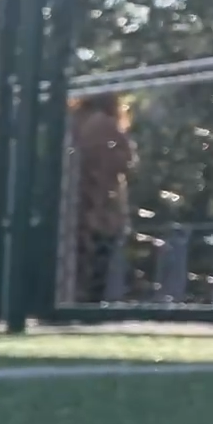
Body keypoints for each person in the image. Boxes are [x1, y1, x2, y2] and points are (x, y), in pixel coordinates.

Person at [71, 93, 139, 304]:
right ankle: (89, 303)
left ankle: (74, 300)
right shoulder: (105, 124)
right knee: (98, 255)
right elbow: (126, 161)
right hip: (100, 198)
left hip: (78, 196)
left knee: (79, 256)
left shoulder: (74, 121)